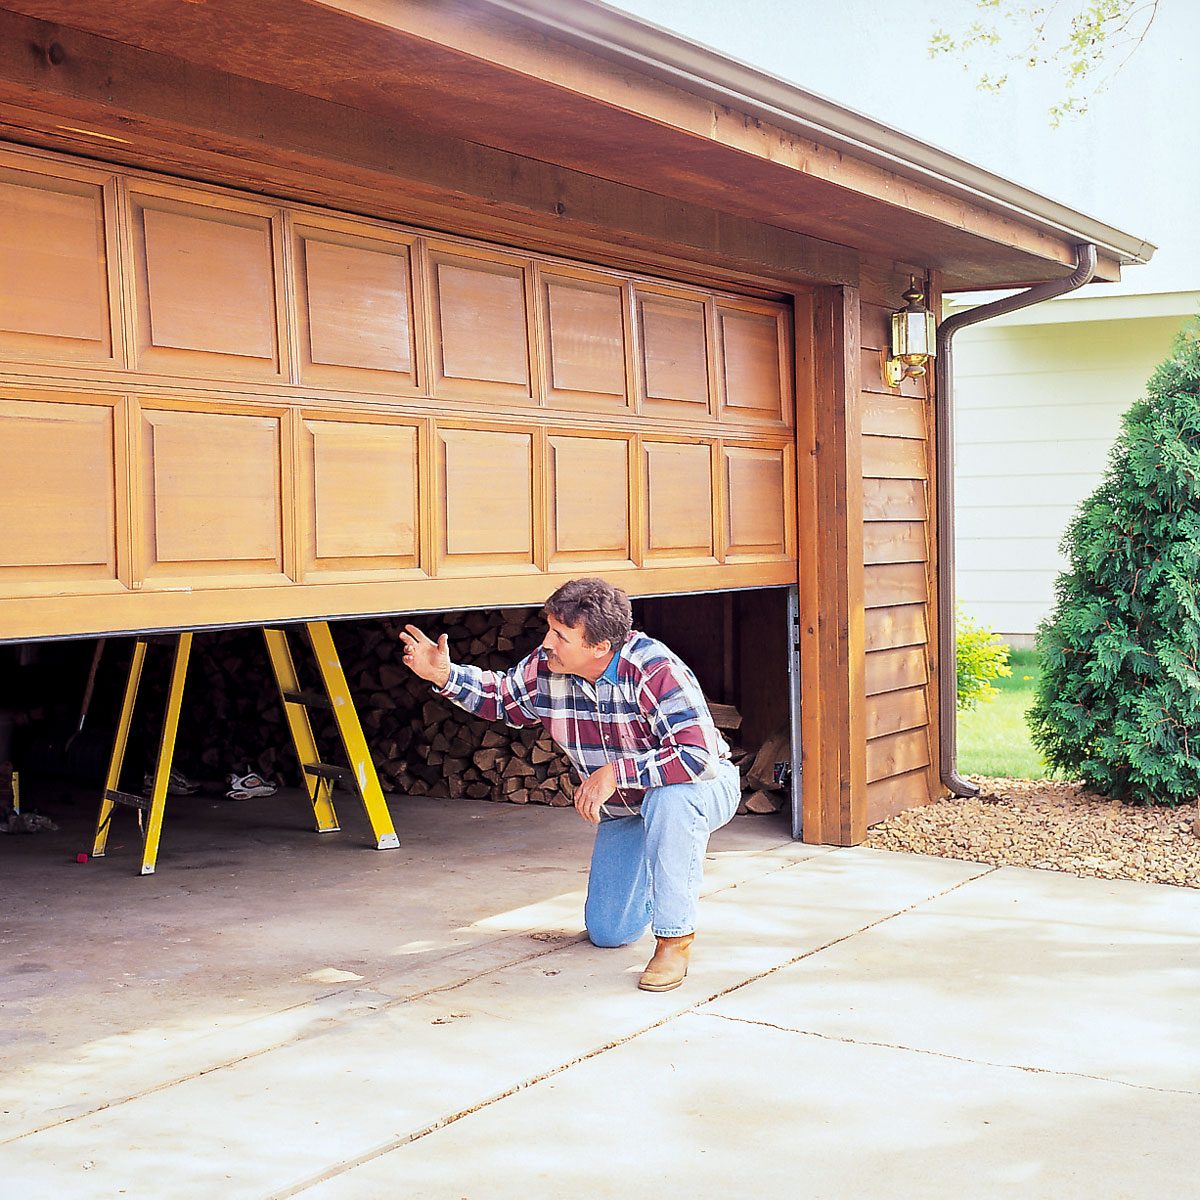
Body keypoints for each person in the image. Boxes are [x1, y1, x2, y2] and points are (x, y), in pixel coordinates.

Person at [398, 577, 740, 992]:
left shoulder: (654, 668)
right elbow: (503, 697)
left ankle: (675, 939)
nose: (546, 642)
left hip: (700, 788)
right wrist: (445, 674)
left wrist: (616, 773)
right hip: (624, 812)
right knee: (608, 932)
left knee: (672, 799)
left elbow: (697, 757)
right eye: (549, 628)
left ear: (599, 647)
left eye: (560, 635)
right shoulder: (547, 667)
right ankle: (664, 872)